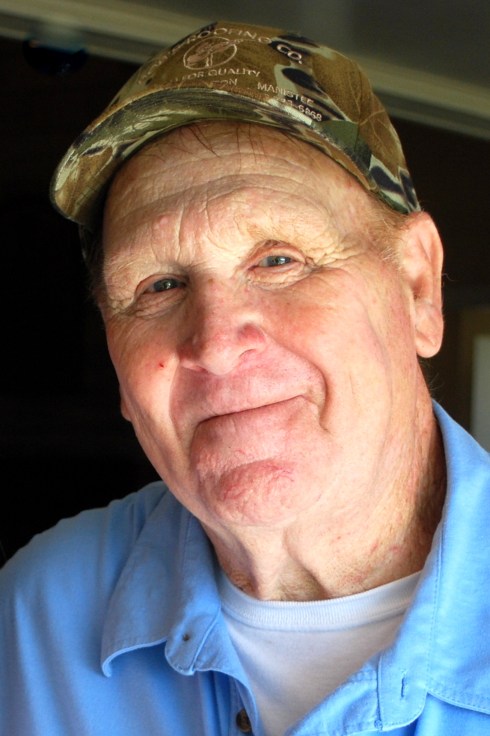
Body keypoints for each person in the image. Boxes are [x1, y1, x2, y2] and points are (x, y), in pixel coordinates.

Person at [1, 19, 489, 736]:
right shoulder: (38, 614)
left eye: (279, 259)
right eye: (160, 285)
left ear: (418, 288)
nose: (216, 345)